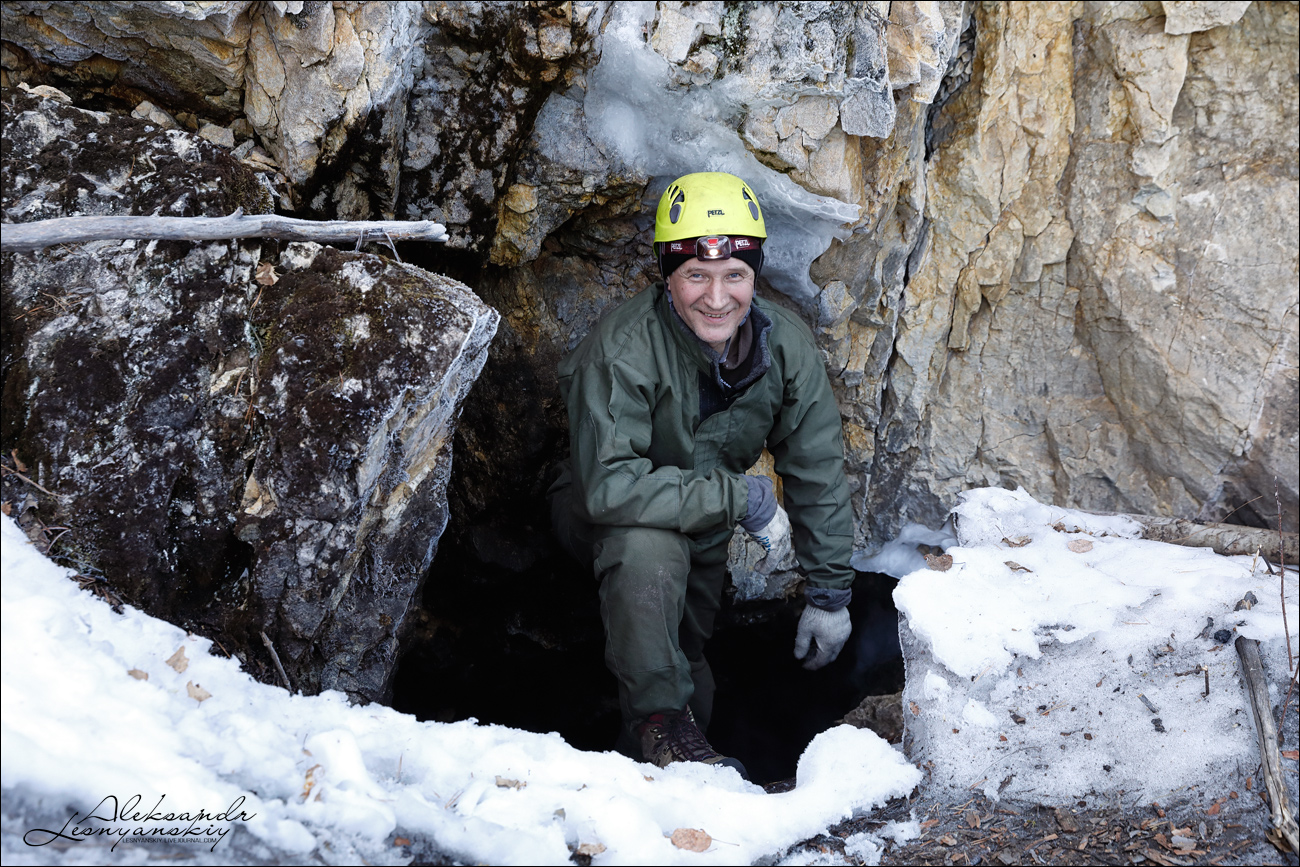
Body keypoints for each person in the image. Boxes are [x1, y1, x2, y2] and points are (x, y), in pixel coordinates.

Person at [548, 172, 855, 778]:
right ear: (668, 275)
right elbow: (609, 487)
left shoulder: (783, 347)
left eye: (734, 275)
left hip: (705, 526)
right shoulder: (625, 348)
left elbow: (816, 465)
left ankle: (667, 781)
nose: (717, 298)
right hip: (600, 514)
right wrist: (737, 496)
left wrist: (830, 595)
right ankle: (660, 731)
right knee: (646, 550)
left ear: (754, 276)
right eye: (696, 275)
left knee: (689, 666)